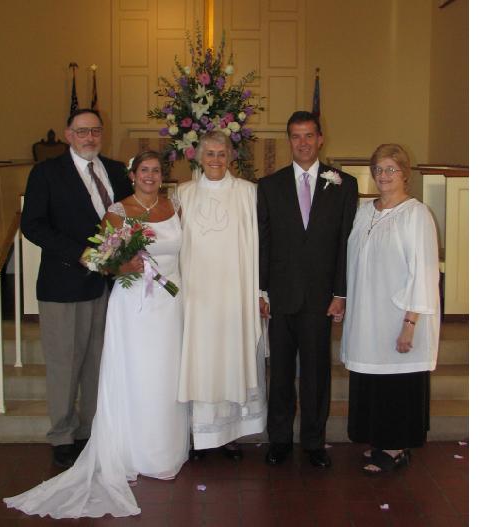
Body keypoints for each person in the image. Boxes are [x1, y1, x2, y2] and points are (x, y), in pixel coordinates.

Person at [4, 151, 189, 517]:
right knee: (134, 375)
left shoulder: (175, 206)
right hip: (133, 304)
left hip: (170, 305)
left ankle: (165, 449)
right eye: (144, 171)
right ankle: (130, 451)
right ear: (133, 176)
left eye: (156, 171)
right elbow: (100, 258)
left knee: (165, 376)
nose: (150, 176)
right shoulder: (118, 211)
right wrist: (124, 264)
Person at [20, 109, 132, 469]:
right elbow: (33, 226)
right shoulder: (46, 173)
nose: (90, 137)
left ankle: (89, 428)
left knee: (97, 362)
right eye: (82, 131)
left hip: (107, 285)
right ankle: (62, 434)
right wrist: (81, 254)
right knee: (64, 364)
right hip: (64, 282)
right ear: (69, 135)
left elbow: (130, 218)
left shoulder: (115, 171)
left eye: (96, 131)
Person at [257, 111, 358, 468]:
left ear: (320, 138)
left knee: (317, 374)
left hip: (320, 297)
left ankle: (314, 441)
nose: (302, 142)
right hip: (281, 296)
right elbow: (264, 243)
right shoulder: (269, 186)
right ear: (290, 140)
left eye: (309, 135)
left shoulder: (344, 184)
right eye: (296, 136)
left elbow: (346, 243)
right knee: (281, 372)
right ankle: (280, 439)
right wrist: (262, 291)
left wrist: (340, 292)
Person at [340, 144, 440, 474]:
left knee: (397, 383)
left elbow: (423, 269)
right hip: (367, 315)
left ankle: (396, 446)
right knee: (373, 380)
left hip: (398, 315)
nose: (384, 176)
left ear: (405, 174)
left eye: (391, 170)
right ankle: (379, 440)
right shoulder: (365, 211)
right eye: (379, 170)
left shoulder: (416, 214)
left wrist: (410, 321)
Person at [178, 131, 266, 460]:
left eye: (221, 153)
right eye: (209, 153)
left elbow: (258, 245)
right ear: (199, 157)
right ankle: (200, 436)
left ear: (231, 157)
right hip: (196, 295)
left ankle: (229, 434)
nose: (215, 159)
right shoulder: (183, 194)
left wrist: (259, 291)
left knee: (231, 358)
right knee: (201, 361)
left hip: (234, 293)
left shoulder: (247, 193)